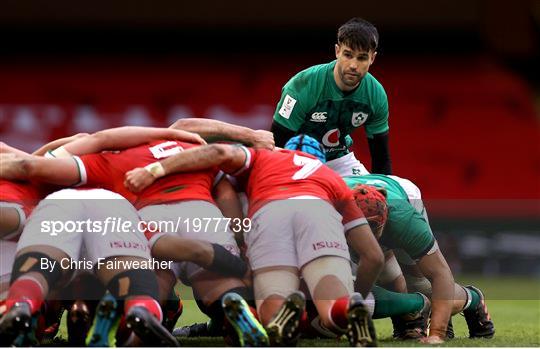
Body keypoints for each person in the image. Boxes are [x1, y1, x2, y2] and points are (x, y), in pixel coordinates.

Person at [124, 135, 385, 347]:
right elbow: (373, 257)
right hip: (318, 208)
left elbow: (217, 153)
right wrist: (359, 292)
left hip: (270, 209)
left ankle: (284, 314)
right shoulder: (331, 177)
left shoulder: (262, 156)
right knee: (333, 314)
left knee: (271, 311)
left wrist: (155, 168)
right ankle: (347, 308)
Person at [346, 174, 495, 343]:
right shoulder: (323, 213)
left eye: (373, 226)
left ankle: (472, 299)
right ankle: (410, 321)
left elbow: (440, 272)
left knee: (421, 285)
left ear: (385, 218)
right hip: (339, 203)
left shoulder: (404, 219)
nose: (367, 233)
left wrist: (437, 333)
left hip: (402, 195)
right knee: (385, 276)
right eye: (361, 227)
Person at [270, 17, 391, 176]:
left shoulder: (376, 95)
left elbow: (381, 158)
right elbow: (276, 145)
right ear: (337, 51)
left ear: (372, 58)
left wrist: (385, 192)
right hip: (296, 159)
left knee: (406, 191)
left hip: (339, 160)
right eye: (348, 55)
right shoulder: (301, 86)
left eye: (362, 58)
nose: (353, 65)